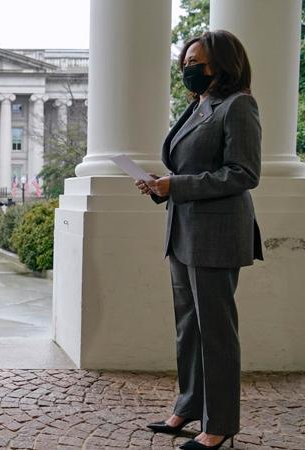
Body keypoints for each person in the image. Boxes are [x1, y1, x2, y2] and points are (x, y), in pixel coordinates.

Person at [136, 30, 263, 450]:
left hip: (217, 234)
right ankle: (189, 405)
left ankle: (221, 423)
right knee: (188, 328)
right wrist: (160, 187)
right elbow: (187, 166)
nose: (189, 68)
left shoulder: (238, 105)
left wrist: (178, 186)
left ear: (224, 64)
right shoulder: (198, 106)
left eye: (198, 62)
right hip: (183, 232)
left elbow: (244, 174)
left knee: (216, 333)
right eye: (186, 62)